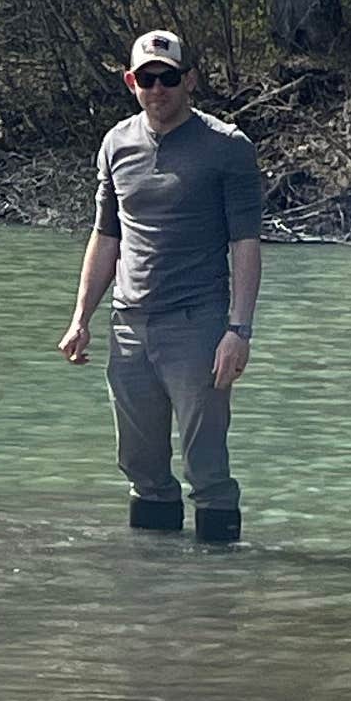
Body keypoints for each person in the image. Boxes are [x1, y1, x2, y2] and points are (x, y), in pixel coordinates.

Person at [56, 28, 262, 543]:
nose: (157, 89)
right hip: (129, 326)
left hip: (197, 326)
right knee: (141, 467)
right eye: (146, 79)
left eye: (168, 78)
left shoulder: (226, 147)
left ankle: (221, 580)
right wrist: (81, 318)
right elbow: (106, 236)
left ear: (189, 79)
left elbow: (245, 243)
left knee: (206, 468)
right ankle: (152, 581)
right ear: (131, 82)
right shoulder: (116, 143)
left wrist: (238, 330)